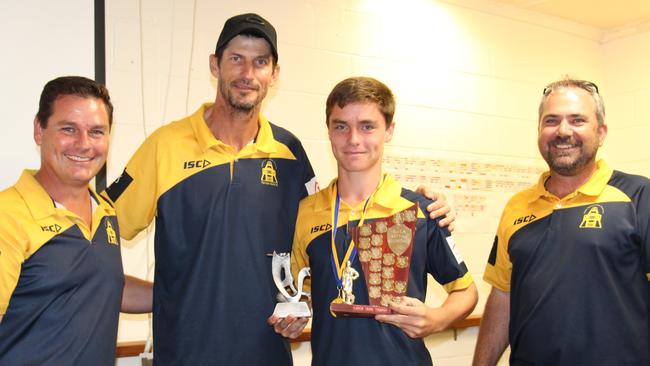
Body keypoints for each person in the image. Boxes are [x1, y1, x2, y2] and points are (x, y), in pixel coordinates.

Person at [105, 13, 455, 365]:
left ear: (274, 73)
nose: (247, 74)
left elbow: (326, 232)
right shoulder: (164, 146)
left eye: (260, 62)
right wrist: (166, 293)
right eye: (236, 59)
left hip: (267, 354)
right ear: (215, 65)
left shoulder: (290, 153)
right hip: (185, 353)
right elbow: (96, 233)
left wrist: (427, 206)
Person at [288, 76, 478, 366]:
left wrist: (437, 319)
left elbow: (466, 291)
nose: (353, 139)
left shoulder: (421, 210)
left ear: (389, 130)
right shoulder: (306, 212)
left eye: (367, 126)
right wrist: (293, 314)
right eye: (341, 126)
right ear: (328, 130)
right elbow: (304, 293)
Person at [472, 78, 650, 366]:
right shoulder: (517, 207)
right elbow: (503, 295)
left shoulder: (639, 196)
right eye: (551, 120)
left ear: (601, 132)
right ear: (540, 131)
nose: (563, 131)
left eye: (577, 120)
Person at [0, 76, 152, 366]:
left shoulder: (104, 211)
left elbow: (106, 287)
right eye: (68, 129)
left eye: (96, 131)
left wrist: (184, 292)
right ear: (39, 130)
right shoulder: (8, 214)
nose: (84, 144)